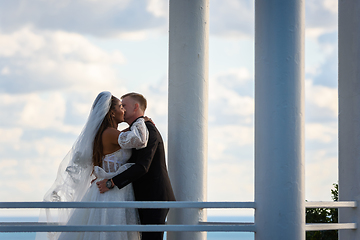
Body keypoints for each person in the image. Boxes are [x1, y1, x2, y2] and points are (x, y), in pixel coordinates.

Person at [37, 91, 149, 240]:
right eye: (120, 107)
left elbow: (123, 136)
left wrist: (131, 126)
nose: (123, 109)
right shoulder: (109, 134)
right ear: (112, 112)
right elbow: (139, 139)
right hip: (112, 193)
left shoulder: (108, 133)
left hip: (108, 190)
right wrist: (141, 120)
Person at [97, 92, 176, 240]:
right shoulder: (133, 132)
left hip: (154, 195)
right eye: (121, 106)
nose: (123, 109)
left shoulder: (147, 130)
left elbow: (142, 166)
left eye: (124, 105)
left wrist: (111, 182)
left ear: (136, 107)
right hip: (138, 195)